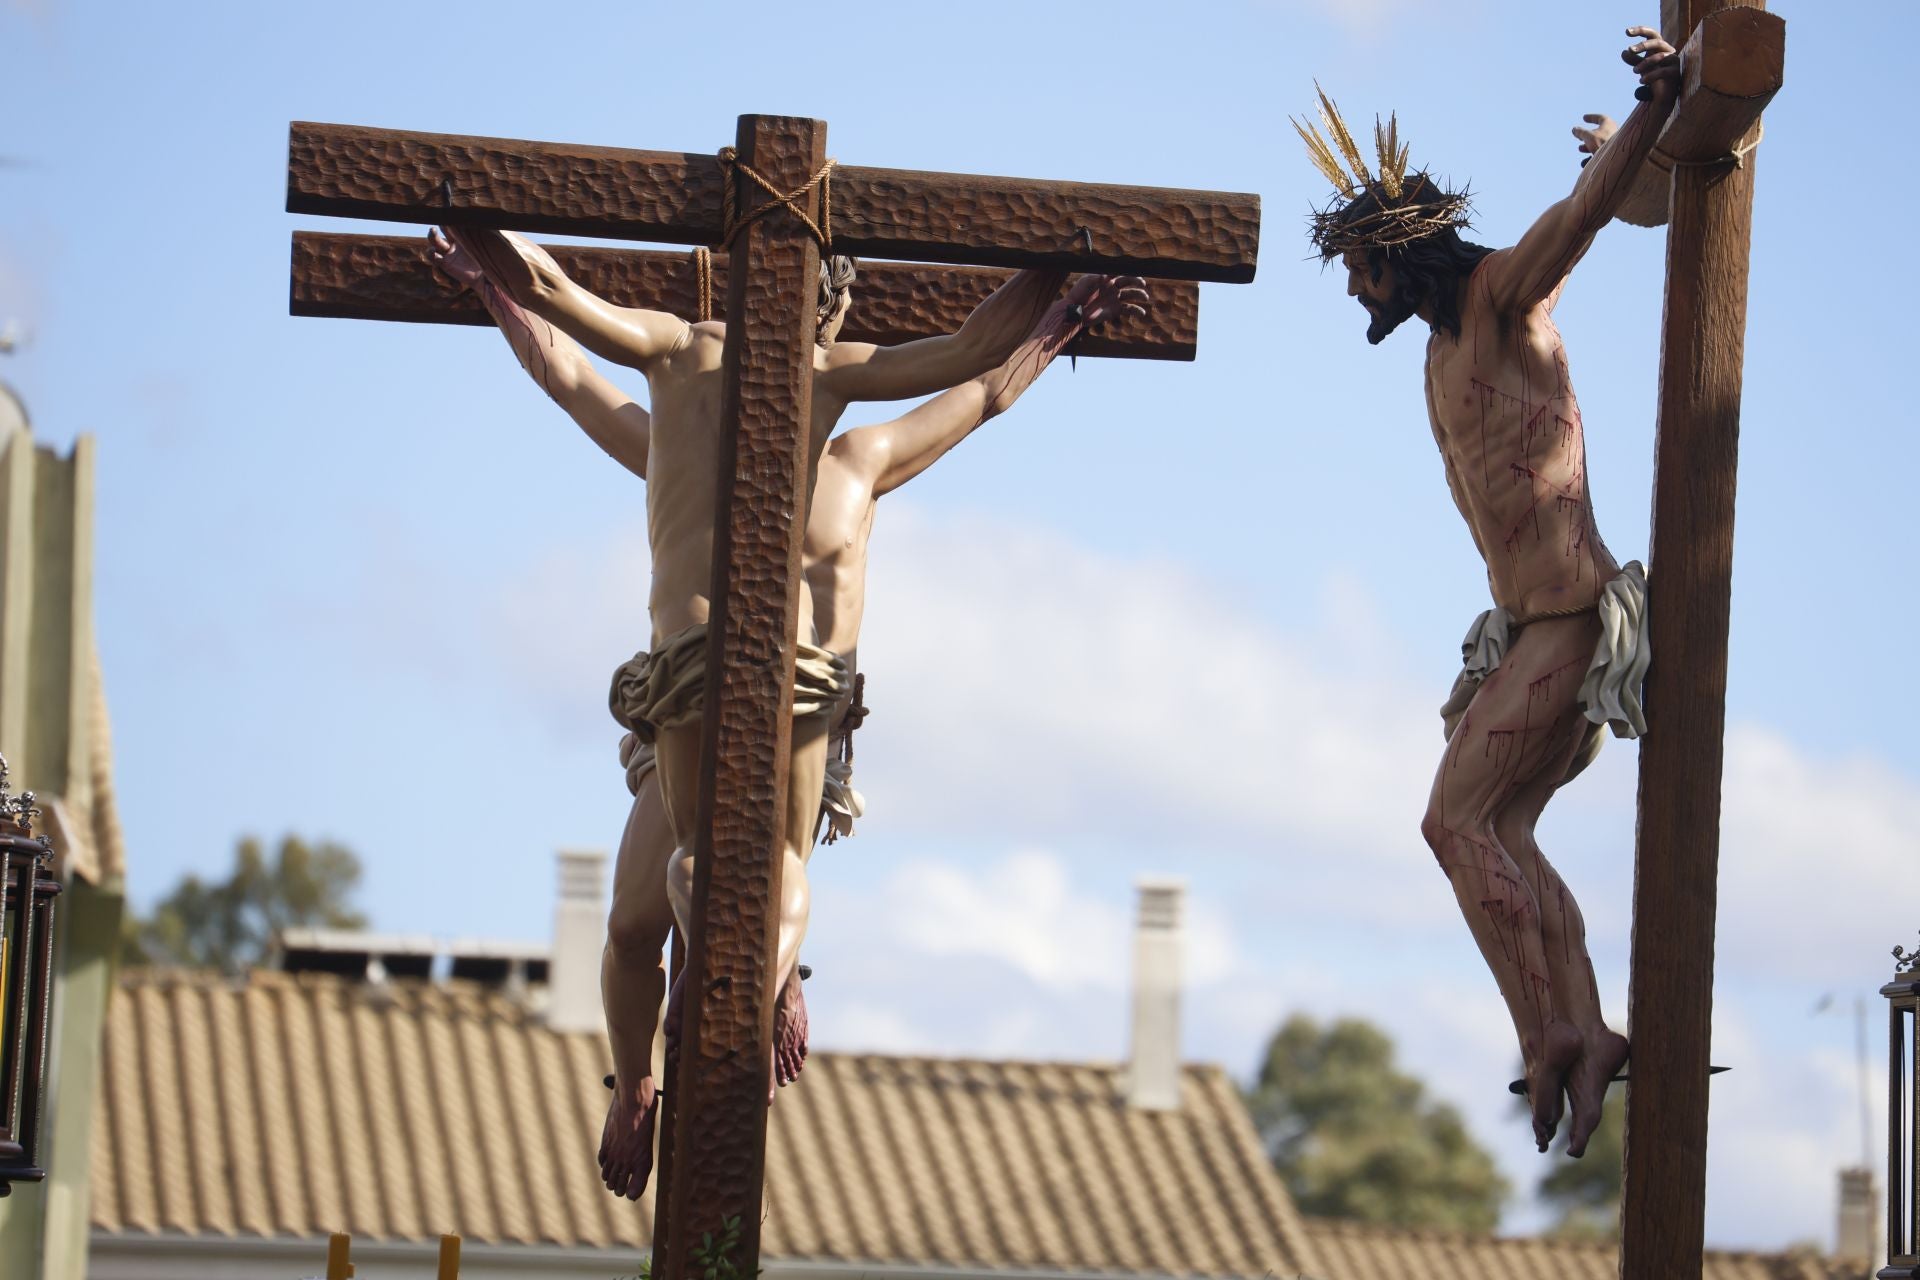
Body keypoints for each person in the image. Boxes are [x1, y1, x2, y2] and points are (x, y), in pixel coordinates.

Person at [431, 228, 1143, 1195]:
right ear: (828, 307)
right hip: (698, 678)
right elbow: (974, 368)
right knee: (641, 918)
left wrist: (1054, 305)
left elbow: (979, 377)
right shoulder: (708, 388)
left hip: (786, 690)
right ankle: (653, 1065)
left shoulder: (846, 446)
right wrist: (1053, 290)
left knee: (729, 868)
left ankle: (749, 987)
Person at [1297, 24, 1678, 1157]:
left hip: (1571, 622)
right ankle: (1589, 1025)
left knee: (1451, 819)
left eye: (1358, 268)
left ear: (1394, 254)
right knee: (1504, 825)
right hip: (1523, 632)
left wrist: (1655, 110)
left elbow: (1582, 221)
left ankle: (1546, 1031)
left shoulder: (1505, 302)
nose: (1353, 290)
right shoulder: (1434, 349)